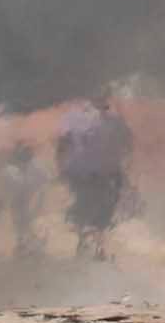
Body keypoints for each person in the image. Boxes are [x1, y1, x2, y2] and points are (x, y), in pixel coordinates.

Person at [55, 92, 133, 260]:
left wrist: (62, 167)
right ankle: (96, 243)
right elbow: (128, 144)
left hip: (83, 172)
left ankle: (87, 240)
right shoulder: (115, 121)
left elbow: (63, 144)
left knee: (86, 203)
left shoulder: (72, 117)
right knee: (103, 206)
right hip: (102, 172)